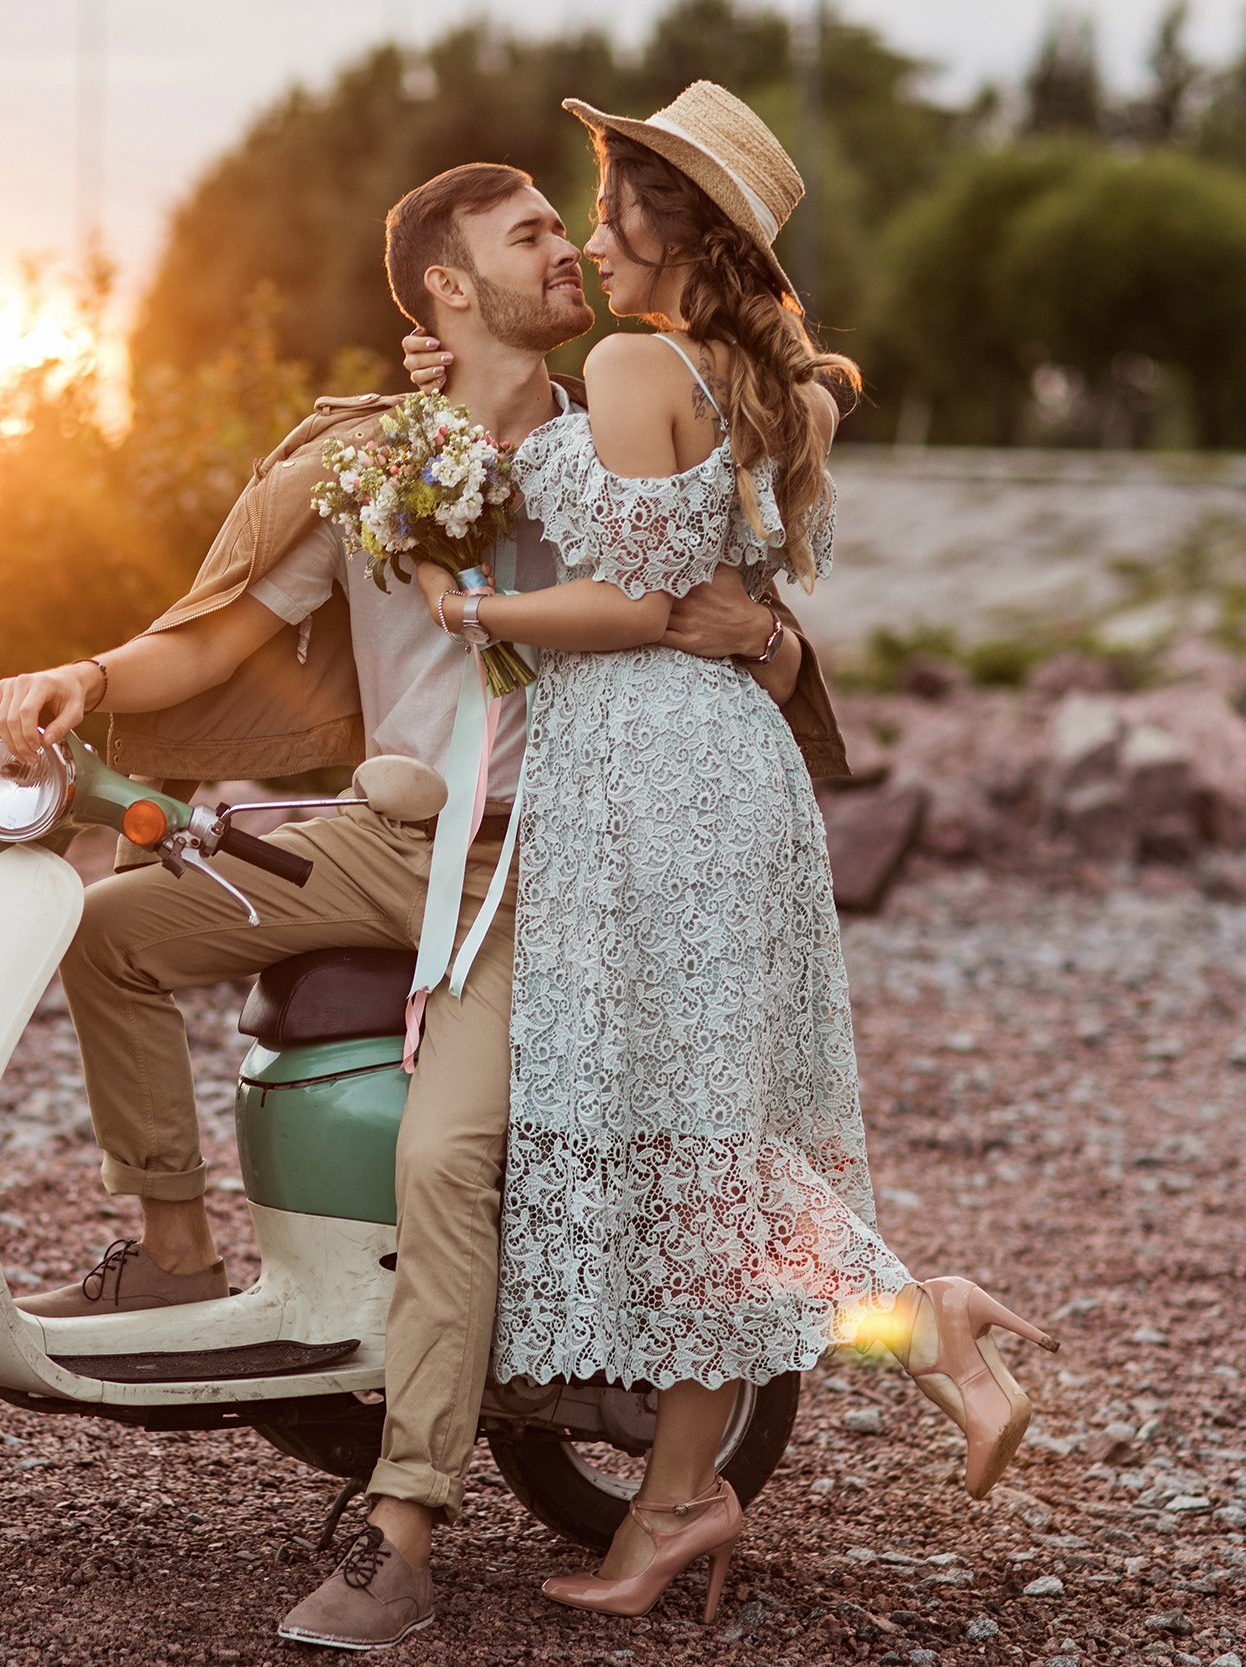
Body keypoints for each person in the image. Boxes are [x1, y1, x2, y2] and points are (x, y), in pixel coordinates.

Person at [0, 160, 849, 1650]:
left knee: (447, 1159)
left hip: (550, 853)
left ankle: (401, 1525)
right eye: (528, 237)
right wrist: (88, 680)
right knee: (107, 928)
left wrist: (758, 630)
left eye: (569, 227)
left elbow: (723, 597)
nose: (570, 250)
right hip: (389, 833)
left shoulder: (618, 432)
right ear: (447, 287)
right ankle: (176, 1244)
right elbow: (218, 638)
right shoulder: (370, 462)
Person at [401, 82, 1059, 1621]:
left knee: (683, 1152)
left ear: (665, 221)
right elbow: (684, 569)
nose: (584, 234)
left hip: (654, 782)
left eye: (602, 204)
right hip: (720, 778)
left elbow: (629, 603)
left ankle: (911, 1339)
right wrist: (473, 415)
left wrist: (472, 608)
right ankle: (691, 1496)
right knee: (696, 1153)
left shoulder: (639, 360)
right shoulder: (752, 382)